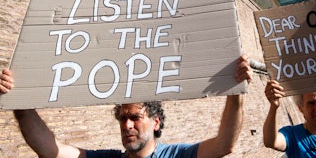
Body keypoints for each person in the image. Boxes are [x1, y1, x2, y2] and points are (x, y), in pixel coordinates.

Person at [0, 55, 253, 158]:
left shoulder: (177, 155)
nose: (127, 125)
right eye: (122, 118)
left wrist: (235, 93)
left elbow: (224, 145)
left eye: (135, 117)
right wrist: (20, 105)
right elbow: (51, 151)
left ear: (156, 122)